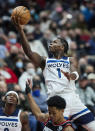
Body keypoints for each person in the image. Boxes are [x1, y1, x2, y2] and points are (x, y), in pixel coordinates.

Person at [12, 17, 95, 131]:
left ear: (62, 47)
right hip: (57, 101)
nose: (51, 43)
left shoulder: (69, 60)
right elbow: (29, 52)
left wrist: (72, 76)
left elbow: (75, 72)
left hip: (73, 98)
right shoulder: (45, 61)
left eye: (55, 42)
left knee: (93, 126)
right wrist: (21, 31)